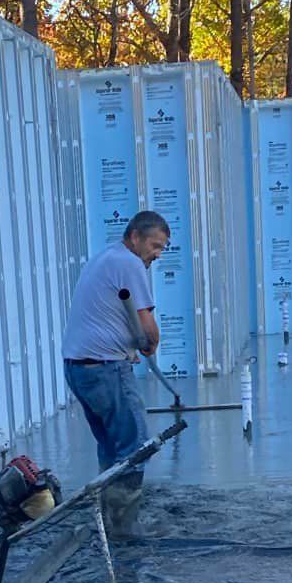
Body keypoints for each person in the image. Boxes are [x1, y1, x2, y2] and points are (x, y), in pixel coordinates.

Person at [62, 210, 171, 527]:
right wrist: (148, 344)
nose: (157, 254)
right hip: (105, 369)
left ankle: (107, 519)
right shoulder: (130, 263)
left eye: (163, 248)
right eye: (155, 245)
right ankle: (125, 530)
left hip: (80, 369)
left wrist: (126, 347)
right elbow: (148, 330)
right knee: (134, 448)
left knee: (111, 446)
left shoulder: (106, 257)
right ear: (135, 237)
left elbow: (105, 315)